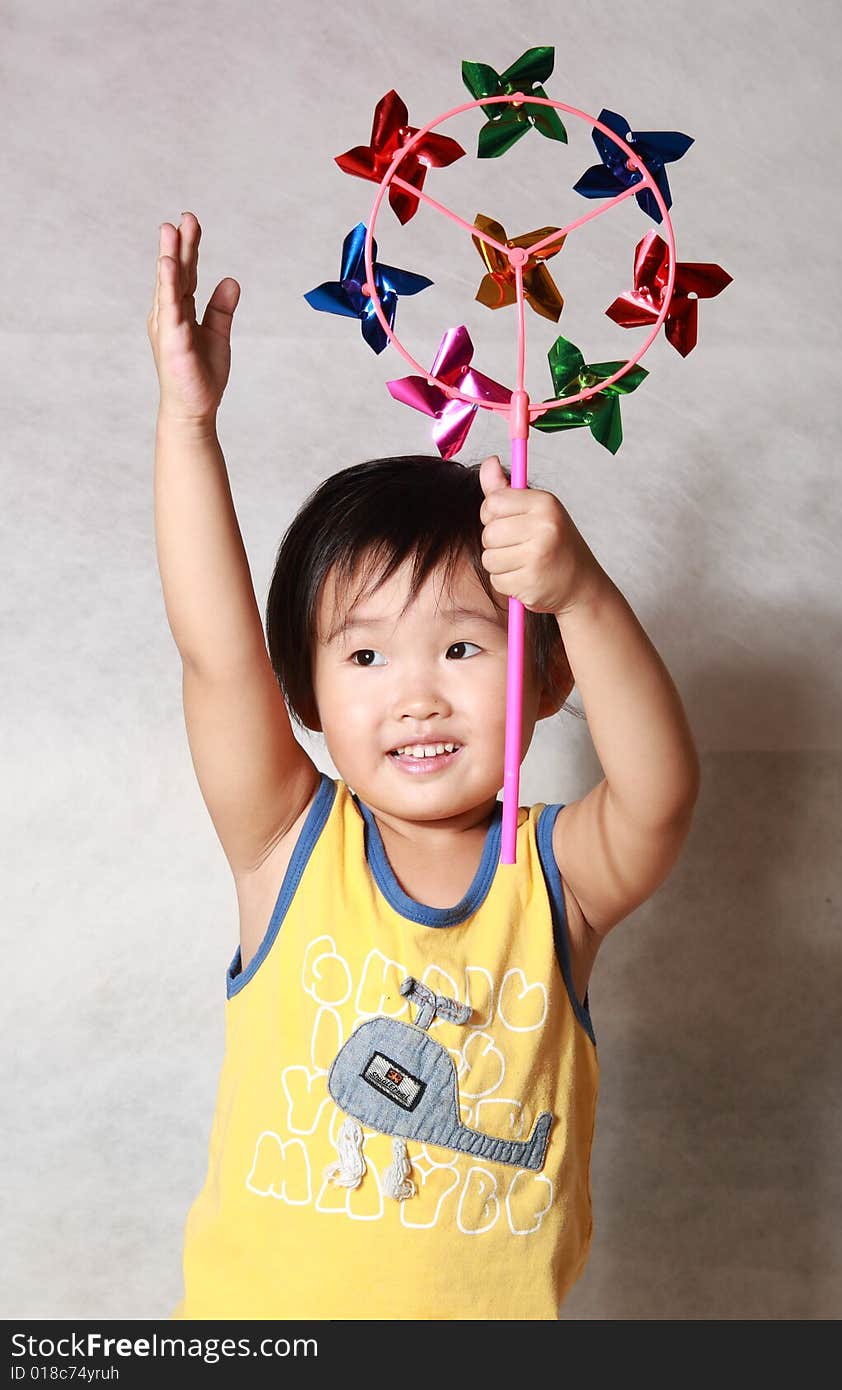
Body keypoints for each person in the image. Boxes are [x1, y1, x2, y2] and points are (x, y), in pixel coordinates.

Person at [147, 212, 700, 1321]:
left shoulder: (556, 878)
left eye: (461, 645)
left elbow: (659, 790)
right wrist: (189, 422)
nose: (416, 693)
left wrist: (577, 591)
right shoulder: (286, 844)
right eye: (364, 652)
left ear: (545, 683)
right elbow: (215, 654)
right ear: (301, 696)